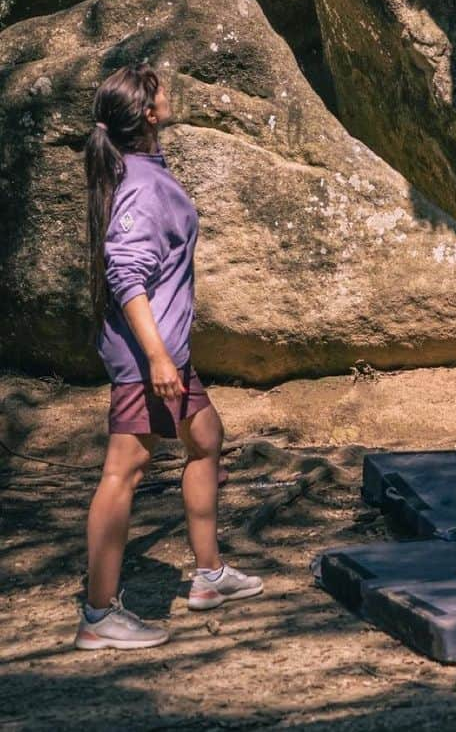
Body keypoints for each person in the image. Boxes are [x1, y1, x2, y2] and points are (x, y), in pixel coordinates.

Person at [75, 63, 263, 651]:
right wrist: (157, 358)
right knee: (122, 473)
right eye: (160, 90)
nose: (170, 90)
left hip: (169, 355)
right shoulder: (140, 186)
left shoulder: (144, 171)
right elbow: (125, 273)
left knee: (205, 437)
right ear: (148, 115)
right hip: (148, 360)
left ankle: (208, 575)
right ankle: (99, 615)